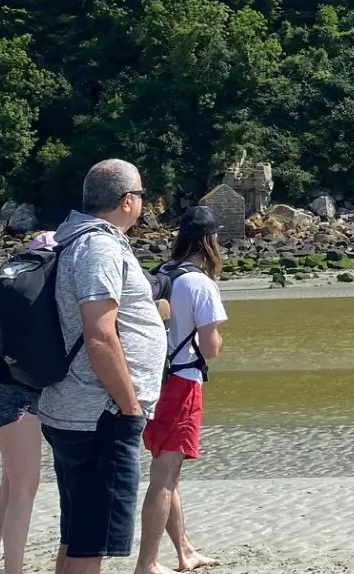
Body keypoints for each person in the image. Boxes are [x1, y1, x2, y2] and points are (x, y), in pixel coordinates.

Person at [37, 160, 166, 574]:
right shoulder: (100, 246)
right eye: (142, 195)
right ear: (127, 199)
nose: (144, 203)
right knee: (89, 542)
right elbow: (99, 335)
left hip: (79, 408)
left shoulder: (72, 238)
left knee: (78, 535)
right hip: (100, 412)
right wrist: (129, 405)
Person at [135, 207, 228, 574]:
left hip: (151, 383)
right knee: (165, 476)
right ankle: (147, 564)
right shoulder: (202, 284)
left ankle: (184, 550)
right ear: (210, 241)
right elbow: (210, 348)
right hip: (183, 383)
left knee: (166, 471)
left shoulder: (160, 275)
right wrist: (217, 336)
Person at [0, 231, 58, 574]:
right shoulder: (42, 293)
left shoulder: (8, 290)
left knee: (11, 485)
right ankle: (13, 571)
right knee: (25, 486)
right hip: (17, 395)